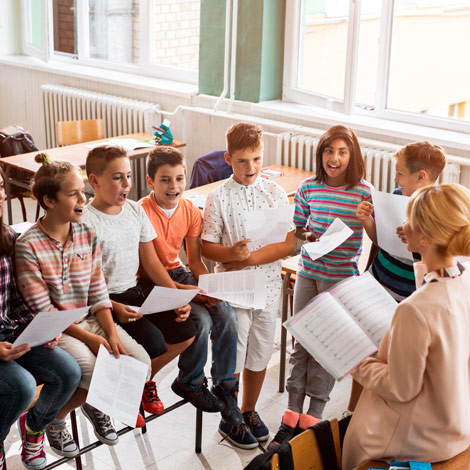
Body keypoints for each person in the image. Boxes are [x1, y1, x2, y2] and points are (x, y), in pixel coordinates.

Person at [15, 155, 151, 454]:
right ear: (50, 201)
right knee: (94, 372)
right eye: (73, 193)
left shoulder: (87, 234)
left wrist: (111, 334)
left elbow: (98, 291)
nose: (84, 198)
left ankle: (95, 404)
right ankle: (50, 420)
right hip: (58, 330)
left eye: (83, 191)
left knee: (140, 364)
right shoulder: (28, 246)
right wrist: (93, 340)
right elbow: (45, 312)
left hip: (90, 320)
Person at [342, 183, 470, 469]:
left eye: (409, 219)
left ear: (424, 237)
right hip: (458, 421)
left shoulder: (413, 310)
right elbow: (439, 297)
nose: (403, 225)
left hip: (422, 438)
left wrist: (359, 363)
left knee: (354, 438)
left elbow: (401, 389)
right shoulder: (465, 280)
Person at [81, 146, 214, 415]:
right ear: (94, 181)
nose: (127, 184)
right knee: (153, 342)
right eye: (118, 177)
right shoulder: (86, 220)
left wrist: (176, 295)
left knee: (187, 331)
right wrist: (109, 305)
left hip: (136, 290)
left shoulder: (133, 211)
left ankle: (138, 382)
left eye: (128, 176)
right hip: (107, 299)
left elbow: (152, 263)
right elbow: (84, 280)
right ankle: (117, 392)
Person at [269, 125, 372, 450]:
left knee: (326, 349)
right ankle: (291, 415)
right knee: (302, 343)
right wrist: (308, 237)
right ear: (321, 154)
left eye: (342, 152)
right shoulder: (309, 188)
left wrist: (368, 221)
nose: (334, 158)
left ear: (352, 156)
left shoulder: (363, 192)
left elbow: (377, 239)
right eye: (329, 151)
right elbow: (299, 227)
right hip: (309, 271)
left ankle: (313, 418)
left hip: (340, 278)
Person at [202, 122, 296, 449]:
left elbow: (288, 244)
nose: (251, 168)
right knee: (235, 358)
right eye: (242, 161)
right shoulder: (218, 197)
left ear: (263, 155)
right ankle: (231, 417)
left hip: (268, 288)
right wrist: (231, 254)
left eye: (256, 159)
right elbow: (207, 247)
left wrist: (248, 259)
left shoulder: (275, 192)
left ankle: (249, 410)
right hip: (235, 291)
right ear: (229, 158)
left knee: (259, 355)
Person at [139, 147, 242, 425]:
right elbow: (150, 269)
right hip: (148, 281)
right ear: (150, 182)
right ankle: (190, 380)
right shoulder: (141, 212)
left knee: (226, 313)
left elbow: (194, 262)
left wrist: (207, 287)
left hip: (177, 273)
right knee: (201, 321)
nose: (174, 187)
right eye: (165, 180)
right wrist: (190, 295)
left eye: (180, 179)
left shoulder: (189, 210)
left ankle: (225, 384)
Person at [0, 167, 81, 470]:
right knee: (21, 387)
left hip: (11, 334)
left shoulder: (8, 237)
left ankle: (34, 430)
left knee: (68, 372)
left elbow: (18, 299)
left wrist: (40, 327)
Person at [357, 141, 446, 301]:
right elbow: (380, 241)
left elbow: (440, 263)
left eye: (400, 173)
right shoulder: (397, 195)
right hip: (376, 282)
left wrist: (418, 241)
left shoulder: (439, 212)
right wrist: (366, 219)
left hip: (405, 297)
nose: (396, 179)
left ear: (420, 176)